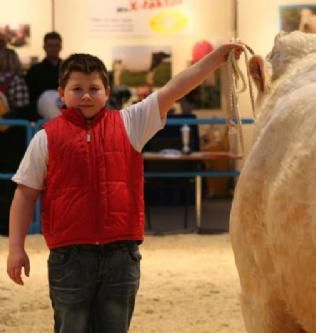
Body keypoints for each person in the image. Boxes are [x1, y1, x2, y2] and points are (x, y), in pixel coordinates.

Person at [6, 42, 243, 332]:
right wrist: (16, 248)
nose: (86, 96)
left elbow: (174, 87)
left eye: (94, 88)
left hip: (121, 256)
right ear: (61, 94)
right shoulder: (46, 138)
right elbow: (25, 193)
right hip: (69, 258)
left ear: (107, 91)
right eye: (77, 89)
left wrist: (216, 59)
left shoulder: (131, 123)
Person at [0, 47, 30, 236]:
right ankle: (7, 226)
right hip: (11, 140)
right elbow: (23, 108)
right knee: (11, 184)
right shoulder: (17, 81)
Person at [25, 31, 63, 121]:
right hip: (41, 117)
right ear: (44, 47)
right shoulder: (34, 71)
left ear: (60, 47)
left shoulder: (68, 69)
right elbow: (31, 97)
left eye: (56, 45)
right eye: (50, 45)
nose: (53, 49)